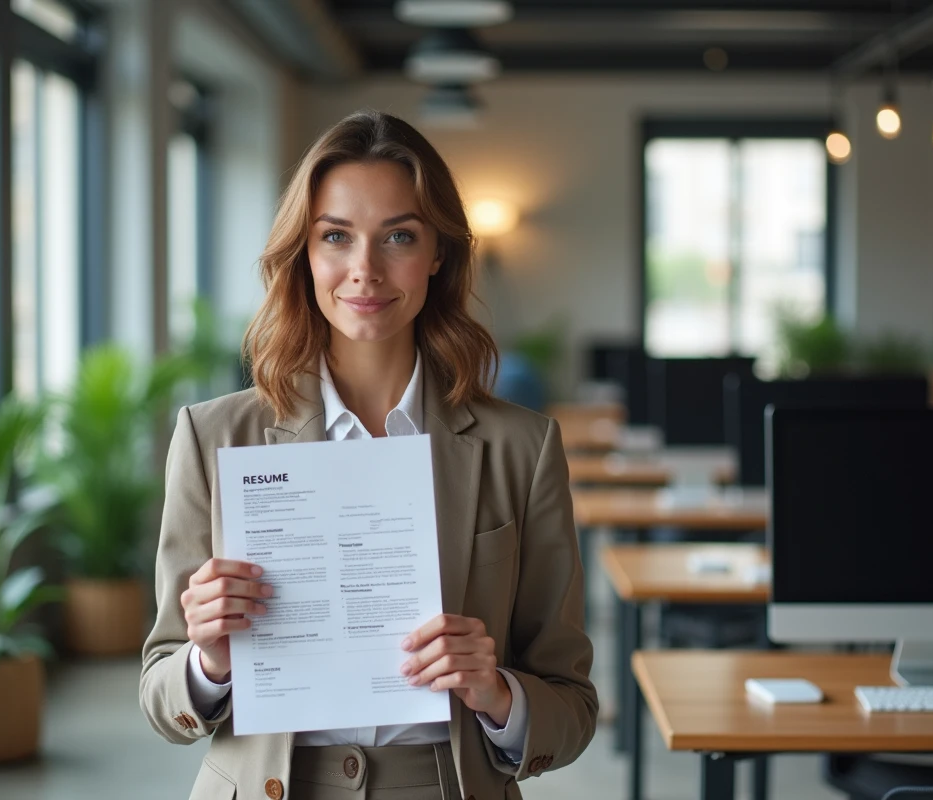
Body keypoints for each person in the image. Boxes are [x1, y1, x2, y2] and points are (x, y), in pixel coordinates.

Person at [140, 109, 597, 800]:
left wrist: (497, 690)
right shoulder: (214, 438)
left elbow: (573, 705)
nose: (364, 270)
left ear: (438, 253)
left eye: (399, 237)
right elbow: (159, 696)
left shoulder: (522, 449)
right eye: (335, 237)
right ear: (305, 253)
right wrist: (209, 659)